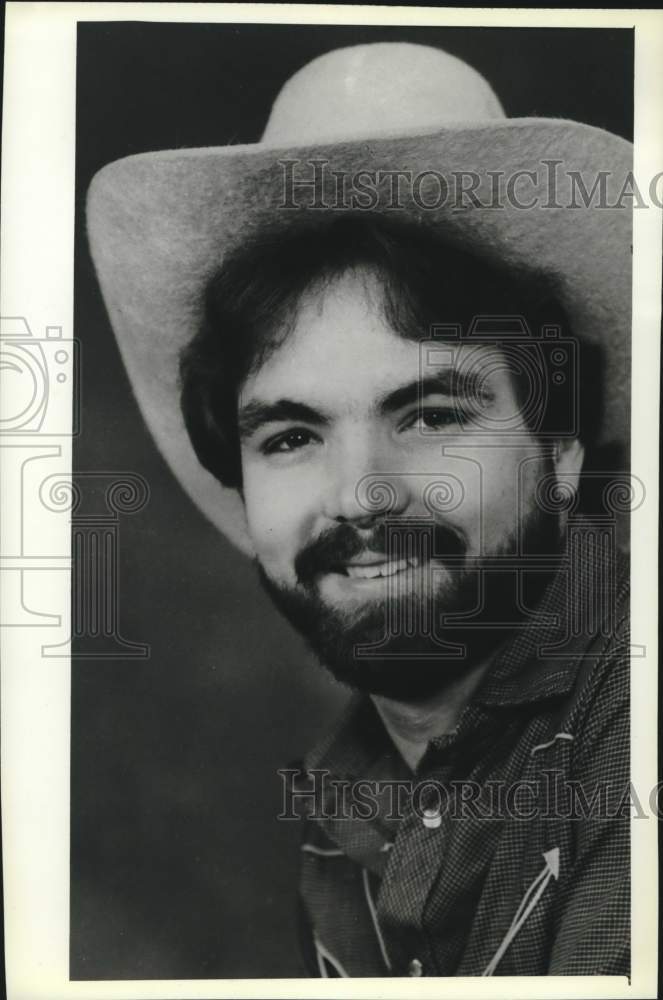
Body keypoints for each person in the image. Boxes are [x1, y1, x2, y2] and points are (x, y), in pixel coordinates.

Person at [87, 42, 632, 977]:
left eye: (428, 414)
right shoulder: (342, 813)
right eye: (292, 437)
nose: (360, 494)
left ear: (562, 452)